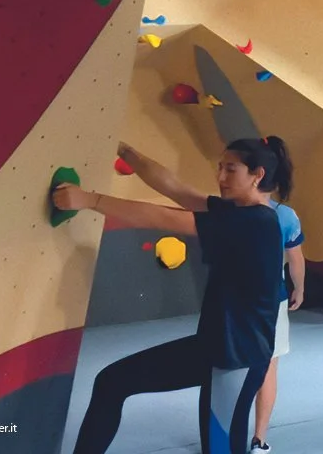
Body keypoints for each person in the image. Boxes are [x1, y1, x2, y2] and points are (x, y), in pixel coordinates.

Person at [61, 139, 285, 454]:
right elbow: (178, 191)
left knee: (221, 449)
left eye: (230, 169)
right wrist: (128, 152)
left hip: (237, 360)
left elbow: (163, 218)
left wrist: (90, 200)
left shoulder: (252, 223)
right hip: (212, 347)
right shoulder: (238, 212)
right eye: (220, 167)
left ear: (257, 175)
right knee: (112, 382)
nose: (220, 177)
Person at [253, 146, 305, 454]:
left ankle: (227, 436)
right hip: (273, 300)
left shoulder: (227, 212)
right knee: (268, 367)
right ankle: (259, 438)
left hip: (244, 303)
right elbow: (295, 260)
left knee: (238, 369)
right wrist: (299, 288)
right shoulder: (286, 216)